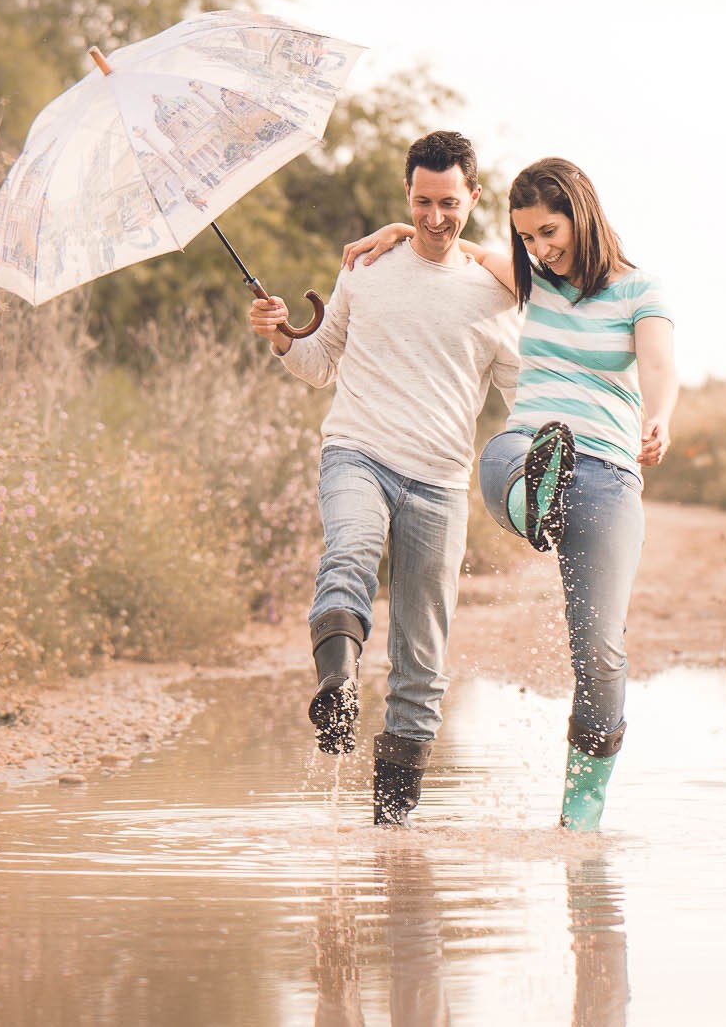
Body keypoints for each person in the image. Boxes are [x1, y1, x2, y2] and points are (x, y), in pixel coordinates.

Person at [344, 157, 676, 831]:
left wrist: (660, 415)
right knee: (499, 456)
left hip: (608, 473)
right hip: (526, 449)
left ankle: (580, 810)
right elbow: (452, 244)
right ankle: (535, 502)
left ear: (581, 213)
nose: (537, 249)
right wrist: (398, 232)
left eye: (548, 232)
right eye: (525, 237)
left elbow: (660, 364)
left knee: (600, 650)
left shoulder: (640, 289)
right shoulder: (530, 277)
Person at [249, 130, 520, 826]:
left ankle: (392, 832)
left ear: (474, 198)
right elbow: (318, 362)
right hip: (358, 453)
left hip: (440, 483)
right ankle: (336, 690)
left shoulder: (495, 297)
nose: (435, 218)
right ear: (407, 193)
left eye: (449, 203)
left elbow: (525, 402)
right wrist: (282, 333)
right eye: (423, 201)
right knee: (346, 555)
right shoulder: (366, 268)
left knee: (422, 663)